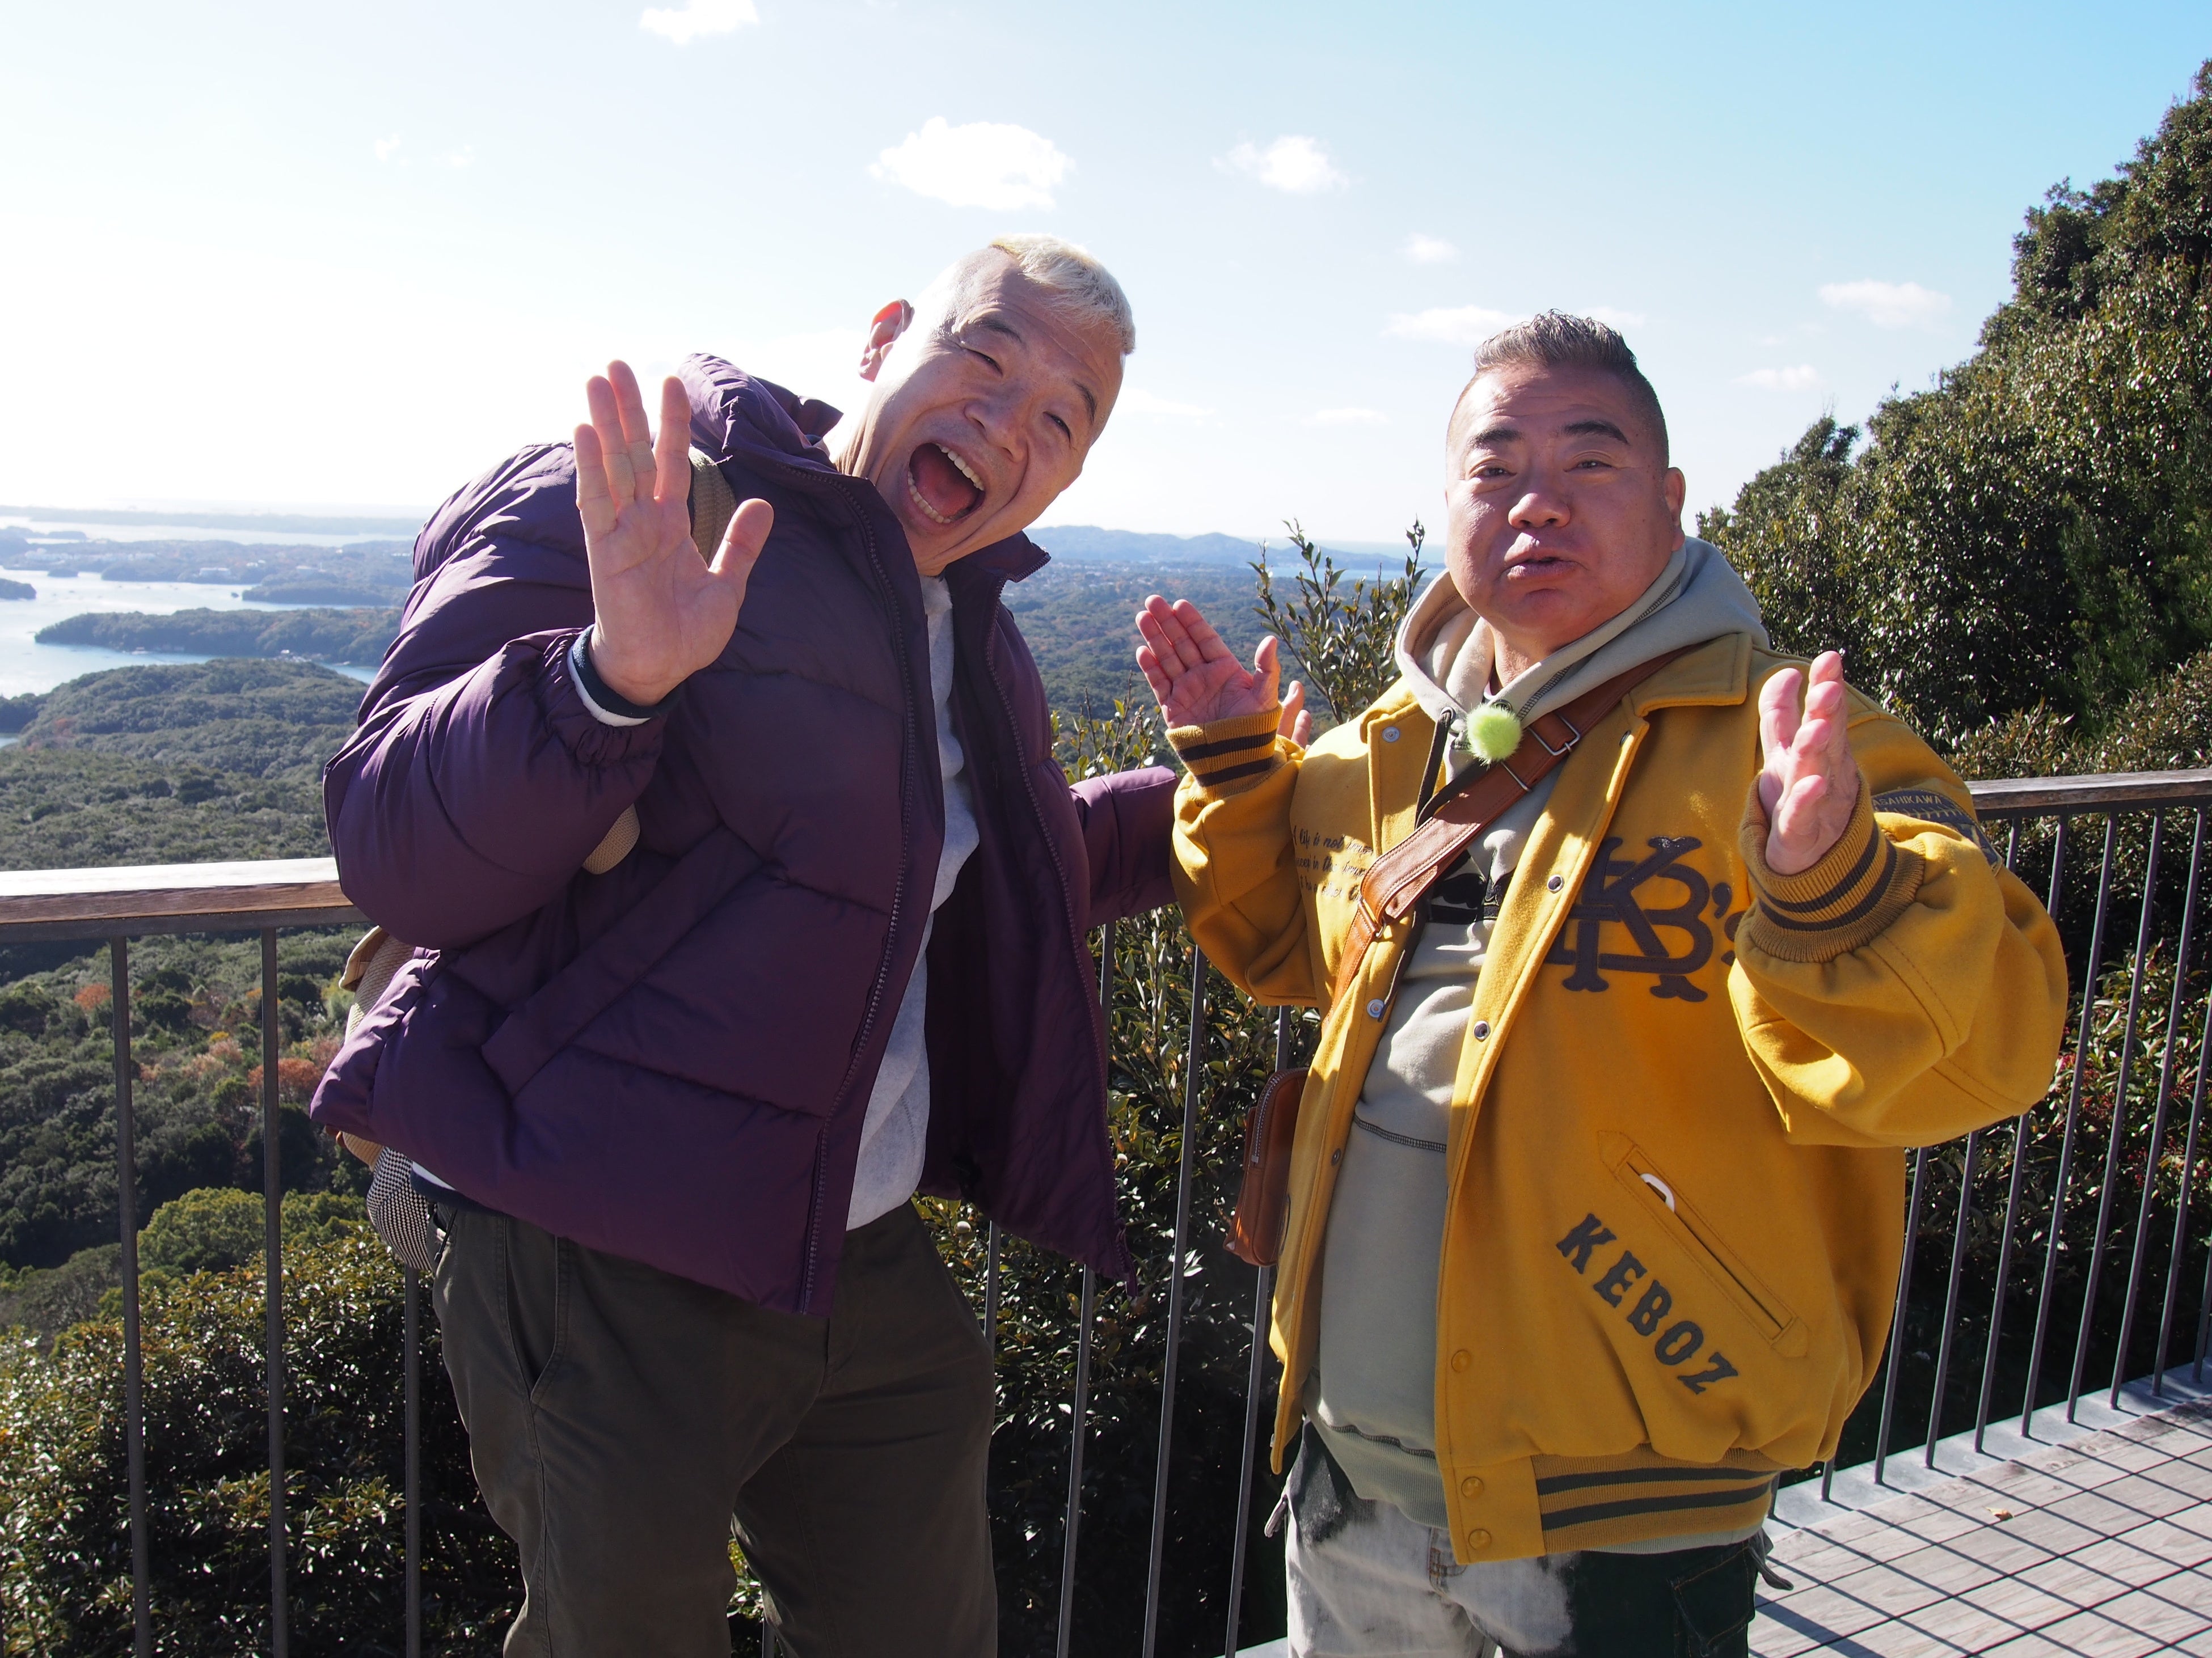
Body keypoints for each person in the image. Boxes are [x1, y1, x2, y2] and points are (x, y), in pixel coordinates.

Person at [1135, 313, 2069, 1658]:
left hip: (1629, 1500)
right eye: (1496, 466)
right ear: (1446, 503)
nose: (1540, 503)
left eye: (1593, 460)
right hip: (1347, 1473)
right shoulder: (1379, 752)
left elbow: (1993, 1045)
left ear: (1674, 499)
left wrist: (1831, 886)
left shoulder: (1794, 744)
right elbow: (1279, 944)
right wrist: (1232, 767)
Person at [311, 235, 1180, 1658]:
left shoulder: (966, 625)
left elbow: (979, 872)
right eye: (986, 356)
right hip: (593, 1238)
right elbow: (392, 838)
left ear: (1070, 478)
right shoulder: (644, 506)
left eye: (1059, 420)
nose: (1008, 422)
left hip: (848, 1240)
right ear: (885, 333)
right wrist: (609, 680)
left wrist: (1221, 798)